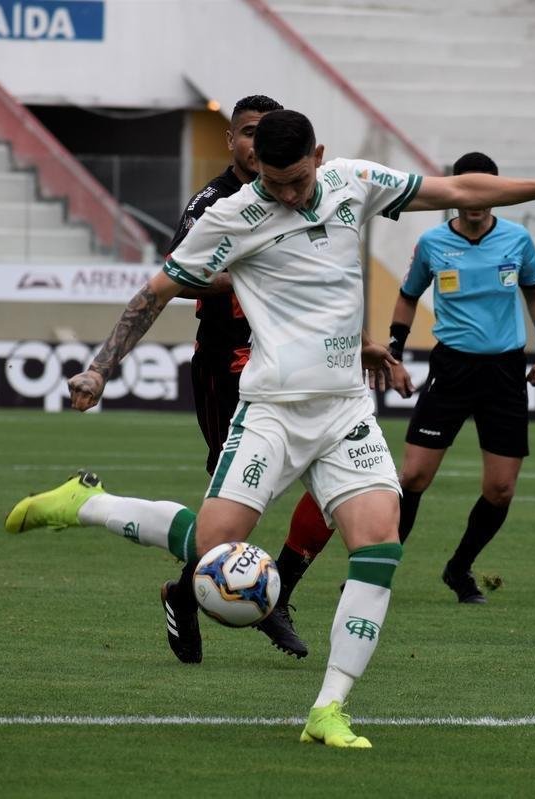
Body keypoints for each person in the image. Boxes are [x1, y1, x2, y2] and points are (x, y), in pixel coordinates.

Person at [6, 111, 535, 748]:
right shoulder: (232, 219)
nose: (287, 194)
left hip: (345, 410)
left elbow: (459, 190)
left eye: (297, 179)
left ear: (319, 156)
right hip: (272, 409)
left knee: (380, 541)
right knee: (212, 548)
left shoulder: (353, 181)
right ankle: (87, 502)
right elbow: (155, 291)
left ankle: (328, 709)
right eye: (274, 182)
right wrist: (98, 367)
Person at [162, 94, 333, 662]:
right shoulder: (213, 202)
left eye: (265, 133)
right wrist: (247, 277)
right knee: (234, 510)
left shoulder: (303, 191)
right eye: (246, 133)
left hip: (298, 361)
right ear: (231, 141)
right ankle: (187, 596)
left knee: (336, 495)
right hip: (226, 364)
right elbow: (179, 276)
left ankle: (276, 592)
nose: (255, 143)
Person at [389, 151, 535, 605]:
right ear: (455, 192)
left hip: (505, 371)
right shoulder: (431, 244)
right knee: (412, 478)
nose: (476, 199)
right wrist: (394, 354)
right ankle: (377, 570)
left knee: (501, 489)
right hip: (451, 369)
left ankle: (458, 568)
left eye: (486, 189)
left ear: (497, 193)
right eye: (467, 188)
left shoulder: (517, 240)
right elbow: (407, 297)